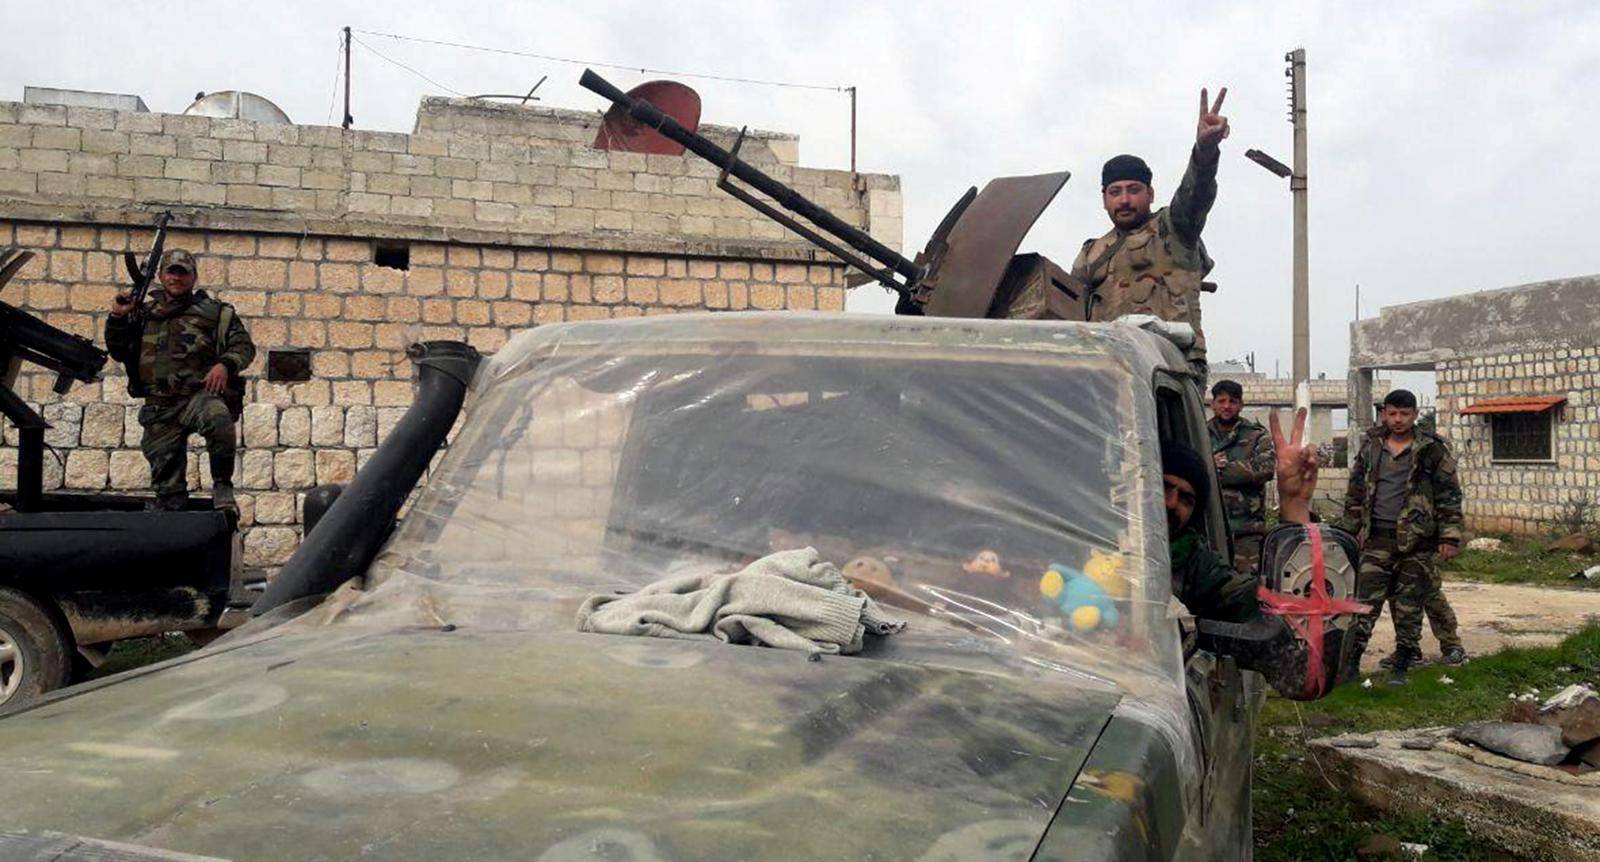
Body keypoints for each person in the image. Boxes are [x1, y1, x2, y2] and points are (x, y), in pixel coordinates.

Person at [1073, 87, 1230, 373]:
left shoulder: (1174, 229)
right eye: (1115, 191)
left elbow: (1196, 194)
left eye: (1133, 190)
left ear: (1150, 193)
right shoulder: (1091, 254)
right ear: (1104, 198)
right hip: (1110, 370)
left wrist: (1205, 151)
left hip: (1173, 368)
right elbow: (1068, 313)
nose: (1124, 199)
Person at [106, 249, 254, 513]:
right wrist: (118, 317)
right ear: (161, 276)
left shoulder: (215, 313)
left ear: (193, 277)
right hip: (160, 404)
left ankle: (222, 485)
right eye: (171, 272)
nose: (177, 278)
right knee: (167, 487)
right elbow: (119, 350)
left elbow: (243, 347)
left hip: (197, 396)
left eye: (183, 273)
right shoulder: (143, 312)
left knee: (218, 419)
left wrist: (224, 365)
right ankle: (171, 509)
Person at [1336, 390, 1466, 684]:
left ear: (1415, 414)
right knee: (1364, 604)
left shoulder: (1432, 450)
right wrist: (1349, 532)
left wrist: (1450, 537)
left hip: (1416, 542)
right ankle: (1352, 662)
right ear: (1384, 413)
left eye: (1404, 414)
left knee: (1410, 606)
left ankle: (1404, 662)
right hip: (1376, 540)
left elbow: (1449, 496)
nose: (1397, 420)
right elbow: (1355, 492)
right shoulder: (1372, 447)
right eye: (1392, 413)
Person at [1165, 407, 1319, 623]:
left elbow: (1267, 601)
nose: (1171, 503)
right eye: (1165, 487)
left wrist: (1295, 507)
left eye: (1186, 499)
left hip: (1247, 532)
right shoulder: (1103, 533)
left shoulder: (1197, 568)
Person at [1207, 380, 1275, 574]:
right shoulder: (1199, 433)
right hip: (1210, 529)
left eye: (1233, 401)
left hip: (1247, 532)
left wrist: (1219, 469)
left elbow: (1265, 468)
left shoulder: (1256, 435)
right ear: (1213, 404)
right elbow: (1189, 467)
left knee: (1246, 589)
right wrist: (1209, 465)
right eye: (1221, 401)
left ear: (1241, 405)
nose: (1227, 406)